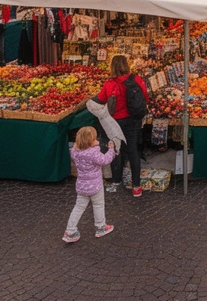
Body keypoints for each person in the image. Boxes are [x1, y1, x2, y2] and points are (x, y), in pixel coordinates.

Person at [94, 54, 149, 195]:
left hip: (115, 122)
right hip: (133, 121)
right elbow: (146, 97)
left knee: (115, 150)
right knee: (132, 151)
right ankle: (136, 186)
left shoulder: (109, 84)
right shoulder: (136, 80)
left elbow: (100, 99)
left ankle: (116, 181)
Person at [62, 126, 116, 243]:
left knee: (78, 207)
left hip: (81, 185)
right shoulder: (93, 153)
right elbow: (104, 160)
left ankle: (70, 231)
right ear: (91, 141)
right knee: (98, 205)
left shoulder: (74, 152)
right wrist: (111, 150)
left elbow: (82, 150)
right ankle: (100, 227)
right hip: (95, 186)